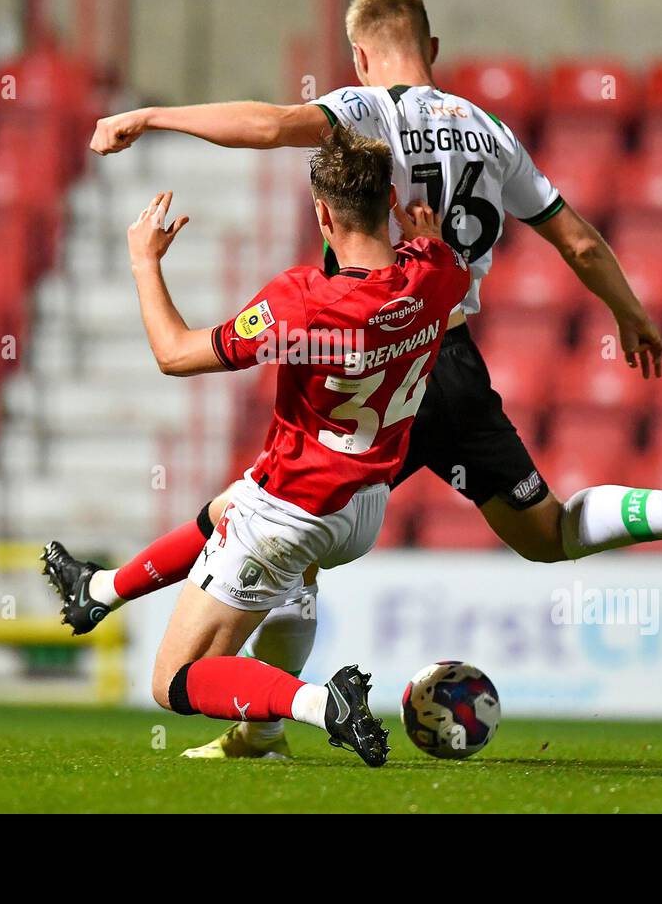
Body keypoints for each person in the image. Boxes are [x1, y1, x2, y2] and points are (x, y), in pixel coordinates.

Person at [47, 0, 662, 760]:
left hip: (360, 353)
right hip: (438, 343)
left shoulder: (367, 112)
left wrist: (152, 117)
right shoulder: (492, 134)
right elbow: (581, 243)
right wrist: (629, 313)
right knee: (548, 533)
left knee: (273, 510)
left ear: (358, 58)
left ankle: (260, 709)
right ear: (433, 50)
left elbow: (268, 125)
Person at [45, 125, 471, 766]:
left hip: (292, 510)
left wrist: (143, 261)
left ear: (321, 213)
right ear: (388, 202)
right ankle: (101, 591)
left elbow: (174, 354)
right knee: (230, 509)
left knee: (174, 680)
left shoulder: (301, 301)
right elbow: (431, 255)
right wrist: (426, 233)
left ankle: (322, 706)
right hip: (364, 506)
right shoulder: (438, 273)